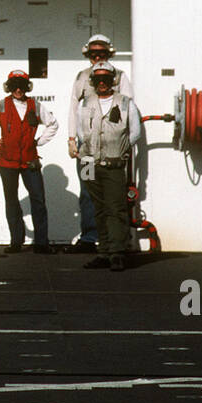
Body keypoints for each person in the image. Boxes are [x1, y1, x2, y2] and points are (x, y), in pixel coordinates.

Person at [0, 69, 58, 254]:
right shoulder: (1, 105)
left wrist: (39, 142)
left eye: (21, 86)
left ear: (27, 87)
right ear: (9, 87)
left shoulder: (35, 105)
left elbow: (53, 124)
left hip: (30, 161)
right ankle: (16, 241)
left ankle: (41, 243)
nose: (18, 90)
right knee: (11, 200)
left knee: (38, 199)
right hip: (6, 162)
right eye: (14, 86)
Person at [66, 34, 134, 253]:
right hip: (87, 151)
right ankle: (90, 237)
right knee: (87, 191)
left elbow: (129, 112)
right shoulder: (82, 77)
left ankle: (115, 244)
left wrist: (124, 145)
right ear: (88, 54)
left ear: (109, 53)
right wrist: (71, 139)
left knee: (114, 197)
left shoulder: (120, 77)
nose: (97, 57)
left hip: (112, 153)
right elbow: (73, 109)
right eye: (93, 53)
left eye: (102, 53)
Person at [74, 61, 142, 271]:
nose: (102, 83)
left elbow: (135, 132)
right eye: (98, 79)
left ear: (112, 81)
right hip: (87, 162)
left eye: (106, 79)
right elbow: (79, 130)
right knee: (96, 206)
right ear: (93, 81)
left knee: (116, 208)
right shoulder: (84, 103)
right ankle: (102, 252)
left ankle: (116, 253)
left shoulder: (125, 103)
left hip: (113, 163)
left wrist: (119, 149)